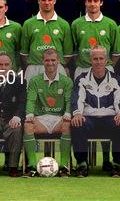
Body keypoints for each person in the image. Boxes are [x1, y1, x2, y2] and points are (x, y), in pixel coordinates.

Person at [71, 46, 120, 178]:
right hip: (89, 119)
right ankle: (82, 164)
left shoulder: (116, 80)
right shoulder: (82, 79)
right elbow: (77, 99)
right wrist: (77, 113)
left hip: (109, 118)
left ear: (107, 60)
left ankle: (116, 164)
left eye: (101, 58)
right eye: (95, 59)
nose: (98, 62)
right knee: (77, 123)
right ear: (90, 60)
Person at [22, 49, 73, 177]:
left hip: (59, 119)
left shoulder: (66, 81)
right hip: (41, 119)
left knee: (67, 124)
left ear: (58, 61)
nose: (50, 63)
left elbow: (69, 102)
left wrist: (67, 114)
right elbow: (31, 100)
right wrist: (29, 115)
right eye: (47, 60)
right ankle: (32, 167)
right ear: (42, 61)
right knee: (28, 125)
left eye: (53, 60)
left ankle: (64, 167)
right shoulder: (35, 81)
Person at [21, 0, 73, 82]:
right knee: (31, 96)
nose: (47, 2)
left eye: (50, 0)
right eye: (43, 0)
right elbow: (24, 53)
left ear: (55, 1)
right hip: (34, 68)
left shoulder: (64, 24)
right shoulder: (28, 24)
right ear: (38, 1)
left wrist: (54, 64)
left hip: (57, 68)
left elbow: (68, 54)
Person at [71, 0, 120, 78]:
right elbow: (74, 51)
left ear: (101, 3)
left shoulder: (111, 24)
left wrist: (103, 65)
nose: (92, 4)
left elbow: (116, 52)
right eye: (89, 1)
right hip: (83, 69)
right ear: (85, 3)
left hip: (105, 69)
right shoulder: (76, 24)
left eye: (96, 1)